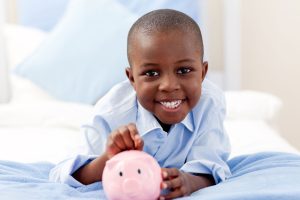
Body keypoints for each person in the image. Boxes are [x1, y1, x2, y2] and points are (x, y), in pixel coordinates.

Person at [50, 9, 231, 199]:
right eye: (151, 73)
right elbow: (61, 174)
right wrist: (108, 158)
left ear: (203, 73)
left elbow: (212, 166)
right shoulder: (112, 112)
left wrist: (189, 182)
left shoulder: (209, 103)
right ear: (132, 79)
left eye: (184, 70)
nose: (169, 86)